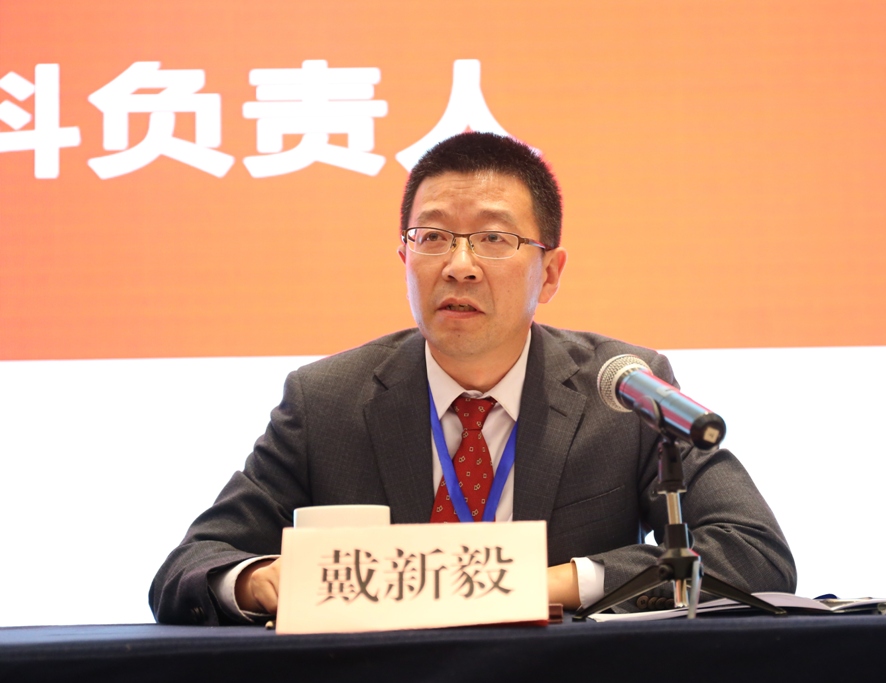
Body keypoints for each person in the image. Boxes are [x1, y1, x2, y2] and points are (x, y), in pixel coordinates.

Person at [149, 132, 796, 625]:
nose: (459, 265)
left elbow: (753, 551)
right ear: (405, 258)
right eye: (433, 237)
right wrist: (258, 579)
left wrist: (549, 582)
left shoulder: (622, 390)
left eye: (493, 239)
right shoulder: (327, 401)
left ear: (551, 272)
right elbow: (191, 567)